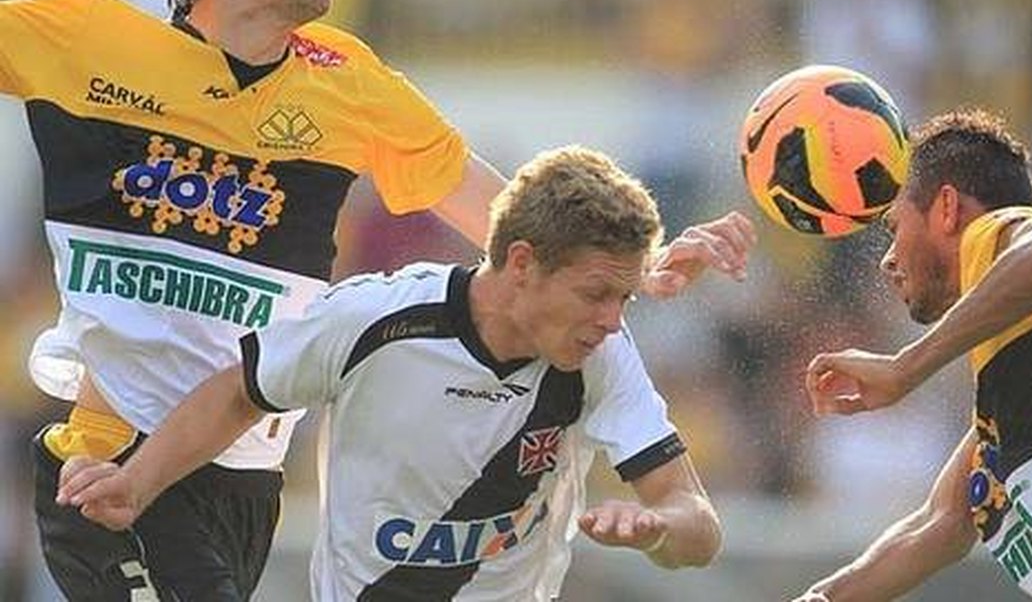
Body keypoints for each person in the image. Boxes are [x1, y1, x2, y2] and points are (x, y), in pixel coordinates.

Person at [1, 0, 753, 599]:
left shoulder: (348, 82)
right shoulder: (87, 37)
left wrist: (642, 268)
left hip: (245, 474)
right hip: (111, 457)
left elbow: (508, 223)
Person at [57, 145, 723, 601]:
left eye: (624, 299)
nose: (612, 319)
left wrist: (659, 528)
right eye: (596, 293)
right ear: (522, 263)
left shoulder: (600, 354)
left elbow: (697, 522)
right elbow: (239, 391)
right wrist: (136, 482)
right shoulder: (378, 318)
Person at [794, 108, 1032, 602]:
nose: (888, 258)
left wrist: (905, 368)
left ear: (946, 208)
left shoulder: (993, 235)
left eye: (894, 226)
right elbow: (936, 526)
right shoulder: (1011, 390)